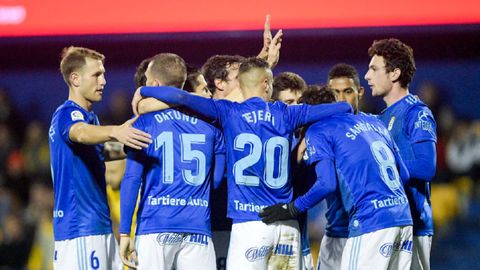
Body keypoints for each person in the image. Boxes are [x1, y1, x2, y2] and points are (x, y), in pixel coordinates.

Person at [132, 57, 352, 270]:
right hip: (286, 226)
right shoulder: (288, 113)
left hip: (249, 225)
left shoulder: (228, 112)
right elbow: (343, 109)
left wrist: (144, 91)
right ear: (266, 84)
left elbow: (180, 98)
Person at [260, 86, 413, 270]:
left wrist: (293, 208)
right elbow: (404, 174)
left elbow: (327, 184)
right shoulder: (375, 123)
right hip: (404, 219)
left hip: (370, 221)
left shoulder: (318, 129)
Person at [119, 53, 226, 269]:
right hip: (198, 227)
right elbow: (215, 182)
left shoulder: (143, 123)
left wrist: (124, 233)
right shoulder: (211, 126)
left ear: (155, 84)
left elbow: (132, 178)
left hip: (155, 224)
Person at [48, 46, 152, 270]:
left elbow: (99, 150)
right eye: (96, 75)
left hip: (98, 226)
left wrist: (133, 145)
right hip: (81, 229)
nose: (103, 81)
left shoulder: (90, 117)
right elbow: (81, 133)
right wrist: (115, 130)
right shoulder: (68, 113)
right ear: (75, 79)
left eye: (103, 74)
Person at [365, 38, 437, 270]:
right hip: (386, 223)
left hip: (414, 226)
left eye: (374, 69)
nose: (367, 76)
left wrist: (384, 167)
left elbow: (427, 167)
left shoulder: (417, 113)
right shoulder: (382, 118)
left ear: (394, 73)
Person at [308, 63, 365, 270]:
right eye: (335, 93)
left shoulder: (373, 129)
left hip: (365, 232)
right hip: (334, 233)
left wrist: (294, 208)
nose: (341, 100)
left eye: (348, 92)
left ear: (360, 93)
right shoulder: (322, 132)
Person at [271, 72, 313, 270]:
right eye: (289, 102)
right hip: (273, 238)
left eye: (300, 101)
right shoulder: (271, 141)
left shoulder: (312, 137)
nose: (296, 108)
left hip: (300, 240)